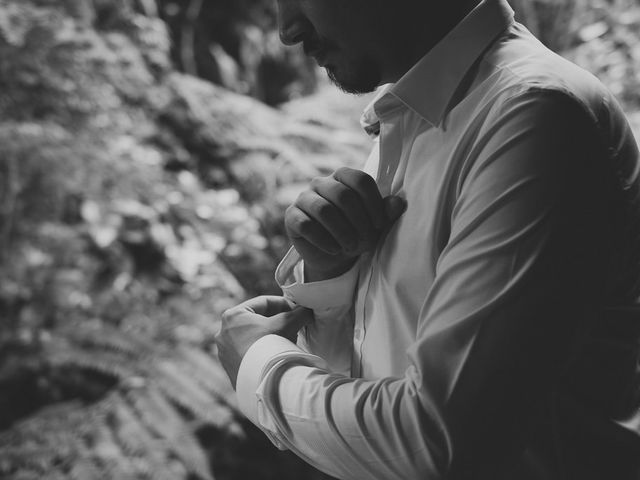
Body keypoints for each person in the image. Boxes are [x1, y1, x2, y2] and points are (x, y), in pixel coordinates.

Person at [215, 0, 640, 478]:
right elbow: (377, 384)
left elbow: (438, 444)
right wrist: (334, 279)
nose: (287, 30)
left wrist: (258, 366)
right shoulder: (424, 115)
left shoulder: (533, 114)